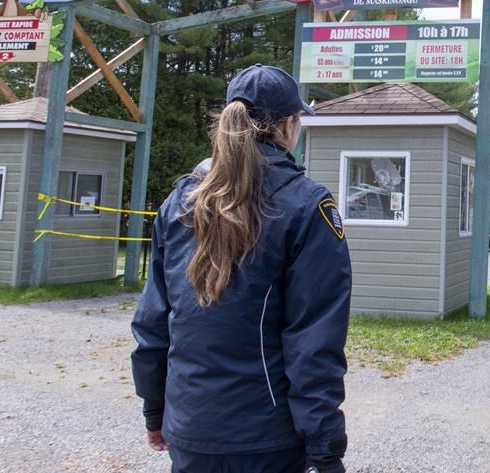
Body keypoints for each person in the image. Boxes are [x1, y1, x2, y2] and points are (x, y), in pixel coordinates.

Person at [131, 64, 352, 473]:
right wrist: (324, 447)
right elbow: (314, 339)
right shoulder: (306, 206)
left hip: (190, 428)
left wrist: (155, 409)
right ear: (288, 125)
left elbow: (154, 323)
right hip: (266, 439)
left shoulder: (181, 201)